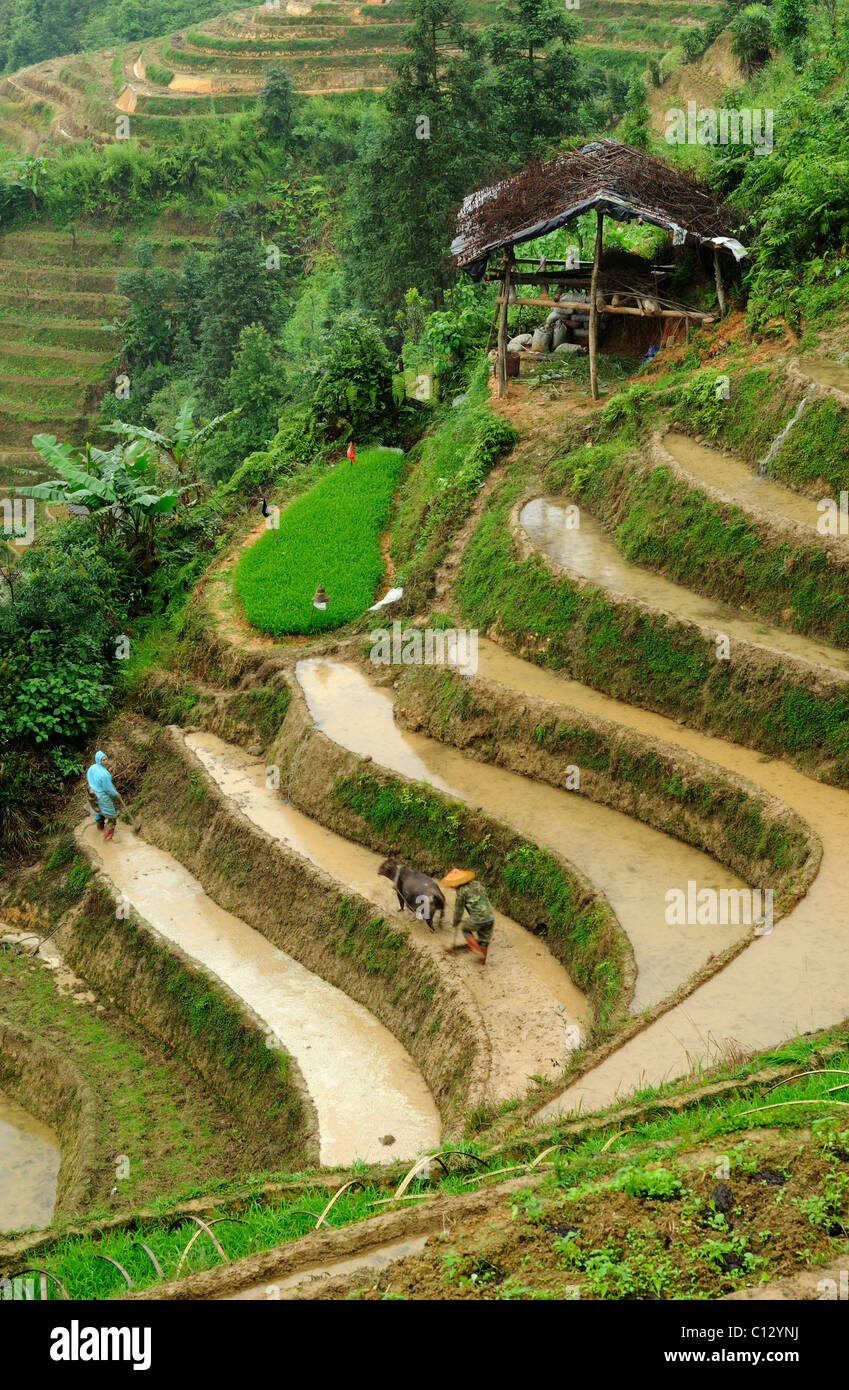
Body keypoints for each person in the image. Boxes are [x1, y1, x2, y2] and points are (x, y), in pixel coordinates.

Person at [441, 868, 494, 965]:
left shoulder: (461, 891)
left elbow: (458, 910)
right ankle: (482, 963)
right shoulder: (477, 884)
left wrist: (456, 922)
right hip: (490, 917)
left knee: (464, 928)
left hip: (478, 918)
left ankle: (476, 951)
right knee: (484, 941)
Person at [86, 750, 119, 841]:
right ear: (98, 760)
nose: (105, 761)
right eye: (103, 760)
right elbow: (108, 789)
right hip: (102, 797)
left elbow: (89, 779)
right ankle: (107, 839)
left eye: (106, 759)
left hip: (92, 795)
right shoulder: (105, 775)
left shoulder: (92, 768)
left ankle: (100, 830)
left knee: (98, 813)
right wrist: (116, 794)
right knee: (112, 817)